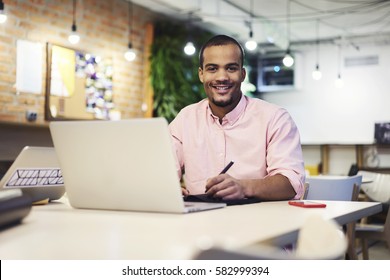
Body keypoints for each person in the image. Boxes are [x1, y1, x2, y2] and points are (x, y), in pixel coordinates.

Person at [169, 34, 305, 201]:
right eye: (212, 68)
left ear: (242, 74)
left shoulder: (275, 118)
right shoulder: (186, 119)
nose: (222, 77)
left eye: (231, 68)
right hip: (199, 222)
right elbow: (162, 173)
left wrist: (243, 187)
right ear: (201, 74)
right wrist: (168, 189)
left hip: (258, 223)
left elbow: (291, 183)